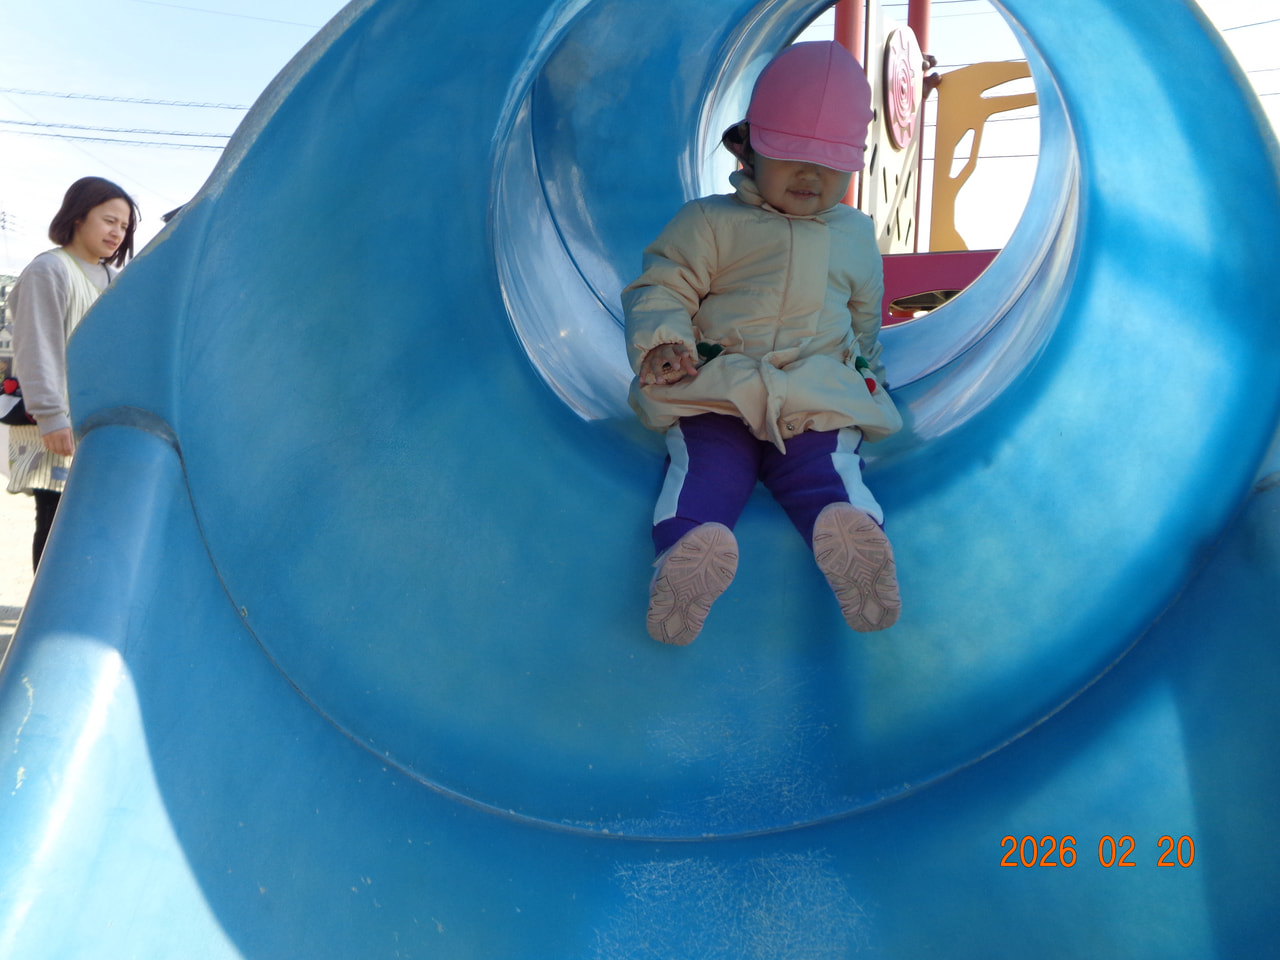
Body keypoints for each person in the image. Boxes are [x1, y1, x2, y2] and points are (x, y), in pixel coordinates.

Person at [622, 41, 903, 645]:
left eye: (830, 164)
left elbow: (864, 320)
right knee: (705, 465)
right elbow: (664, 285)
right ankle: (686, 557)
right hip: (720, 384)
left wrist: (869, 376)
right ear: (748, 148)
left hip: (814, 389)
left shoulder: (855, 236)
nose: (811, 176)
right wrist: (662, 344)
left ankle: (852, 539)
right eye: (792, 157)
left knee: (827, 466)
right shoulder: (709, 222)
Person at [4, 177, 139, 570]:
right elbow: (36, 347)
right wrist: (51, 416)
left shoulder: (113, 278)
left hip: (97, 423)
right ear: (78, 217)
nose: (117, 233)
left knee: (92, 530)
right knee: (56, 527)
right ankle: (46, 609)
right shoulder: (49, 270)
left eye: (124, 226)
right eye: (109, 220)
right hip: (56, 423)